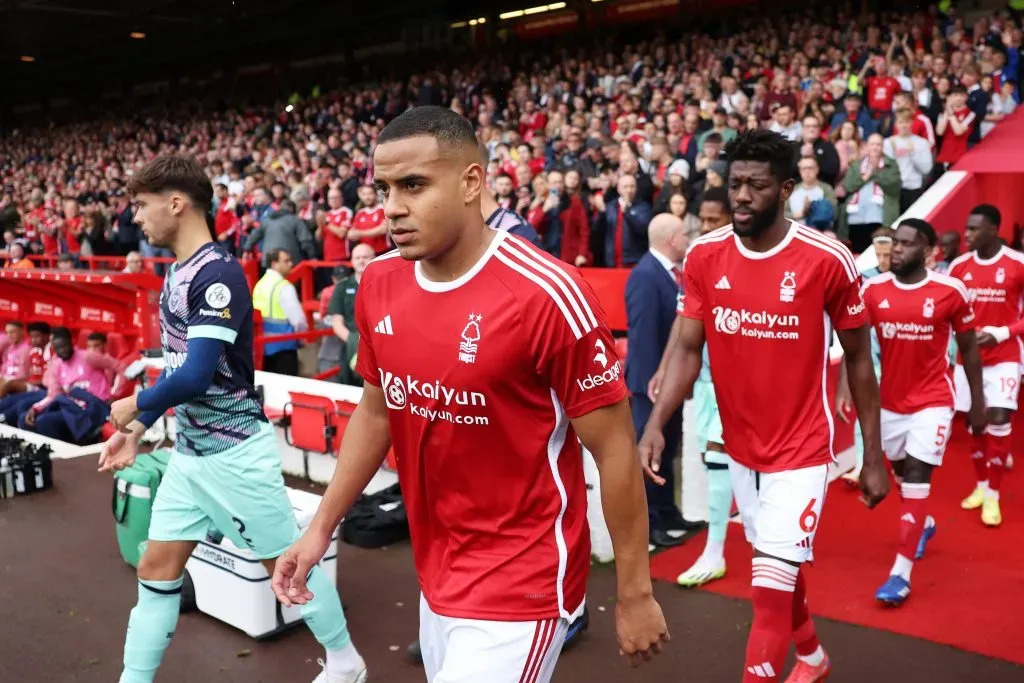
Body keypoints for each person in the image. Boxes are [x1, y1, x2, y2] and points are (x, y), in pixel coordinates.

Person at [272, 106, 667, 683]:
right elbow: (378, 411)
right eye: (384, 188)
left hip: (523, 580)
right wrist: (320, 528)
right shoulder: (380, 282)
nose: (393, 207)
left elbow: (613, 449)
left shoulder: (547, 294)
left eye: (414, 185)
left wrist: (635, 593)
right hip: (436, 572)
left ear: (471, 183)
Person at [96, 154, 365, 683]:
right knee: (155, 568)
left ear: (177, 203)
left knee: (285, 567)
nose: (136, 219)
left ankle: (344, 660)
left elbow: (196, 376)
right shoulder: (177, 272)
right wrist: (136, 431)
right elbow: (179, 368)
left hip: (235, 455)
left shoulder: (218, 274)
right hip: (190, 458)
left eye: (142, 206)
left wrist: (135, 405)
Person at [640, 130, 889, 683]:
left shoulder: (828, 259)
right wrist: (657, 423)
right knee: (781, 571)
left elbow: (859, 360)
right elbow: (686, 347)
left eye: (756, 186)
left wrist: (872, 455)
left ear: (786, 188)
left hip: (801, 455)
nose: (743, 197)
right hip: (741, 450)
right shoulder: (706, 254)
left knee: (766, 593)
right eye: (735, 185)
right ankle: (815, 659)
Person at [861, 218, 985, 605]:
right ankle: (924, 524)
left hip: (933, 401)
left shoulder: (951, 291)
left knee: (917, 474)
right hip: (890, 404)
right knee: (899, 473)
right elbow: (857, 350)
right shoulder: (872, 290)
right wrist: (846, 391)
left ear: (929, 251)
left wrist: (976, 403)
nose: (897, 249)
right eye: (895, 242)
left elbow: (968, 348)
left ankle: (900, 574)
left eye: (908, 244)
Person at [948, 204, 1024, 527]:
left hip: (1005, 355)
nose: (966, 235)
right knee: (975, 424)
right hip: (968, 361)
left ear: (993, 229)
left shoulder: (1017, 265)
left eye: (974, 229)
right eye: (967, 229)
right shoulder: (958, 266)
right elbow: (947, 309)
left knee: (999, 417)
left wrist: (1002, 333)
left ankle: (993, 494)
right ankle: (980, 486)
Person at [625, 213, 696, 548]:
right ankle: (650, 522)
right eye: (684, 235)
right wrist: (657, 379)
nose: (687, 240)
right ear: (671, 240)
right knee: (648, 452)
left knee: (667, 450)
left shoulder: (669, 275)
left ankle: (668, 512)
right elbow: (644, 336)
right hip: (651, 383)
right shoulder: (646, 276)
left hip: (668, 380)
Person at [253, 248, 309, 376]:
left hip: (262, 347)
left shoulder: (260, 284)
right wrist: (301, 337)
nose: (291, 264)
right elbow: (299, 320)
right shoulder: (284, 287)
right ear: (274, 264)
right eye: (286, 261)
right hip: (285, 346)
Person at [326, 243, 374, 386]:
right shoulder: (342, 287)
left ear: (374, 259)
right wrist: (356, 342)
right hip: (349, 345)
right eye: (357, 257)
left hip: (378, 347)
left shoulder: (383, 285)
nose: (361, 261)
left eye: (365, 257)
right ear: (352, 261)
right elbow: (337, 323)